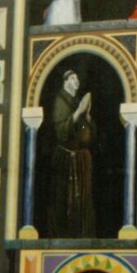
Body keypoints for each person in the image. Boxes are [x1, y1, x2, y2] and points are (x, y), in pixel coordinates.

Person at [49, 68, 96, 237]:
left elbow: (89, 131)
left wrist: (87, 115)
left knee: (83, 201)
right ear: (65, 82)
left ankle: (81, 235)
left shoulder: (76, 101)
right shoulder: (60, 101)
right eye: (73, 79)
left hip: (81, 159)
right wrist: (79, 112)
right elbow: (62, 132)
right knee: (66, 200)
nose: (77, 81)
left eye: (77, 78)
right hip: (67, 159)